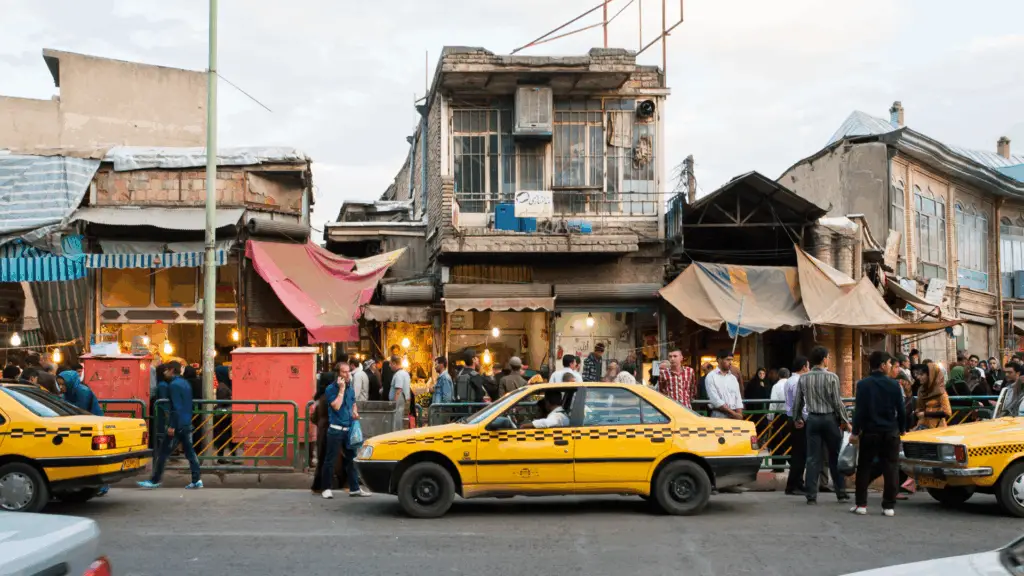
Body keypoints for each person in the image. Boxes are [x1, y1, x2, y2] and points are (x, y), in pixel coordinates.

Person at [850, 351, 906, 517]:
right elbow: (901, 410)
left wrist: (855, 431)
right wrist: (902, 428)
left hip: (870, 432)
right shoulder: (895, 385)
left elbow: (859, 411)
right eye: (889, 363)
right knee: (891, 468)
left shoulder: (863, 385)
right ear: (882, 365)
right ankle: (888, 506)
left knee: (864, 467)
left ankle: (861, 504)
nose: (890, 366)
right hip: (890, 432)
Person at [793, 345, 850, 504]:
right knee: (835, 456)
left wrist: (797, 418)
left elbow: (798, 401)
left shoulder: (803, 378)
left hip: (812, 420)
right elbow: (837, 403)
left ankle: (811, 495)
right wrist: (845, 421)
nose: (829, 359)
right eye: (829, 357)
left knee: (812, 459)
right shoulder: (832, 377)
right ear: (824, 359)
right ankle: (841, 493)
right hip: (830, 419)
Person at [138, 361, 203, 490]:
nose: (164, 372)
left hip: (177, 425)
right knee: (190, 453)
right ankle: (196, 480)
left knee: (163, 453)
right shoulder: (185, 383)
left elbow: (176, 407)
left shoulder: (173, 385)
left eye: (166, 370)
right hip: (186, 422)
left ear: (172, 370)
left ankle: (155, 480)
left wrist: (172, 425)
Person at [320, 362, 370, 499]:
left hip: (349, 429)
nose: (348, 374)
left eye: (349, 372)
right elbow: (336, 406)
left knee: (351, 459)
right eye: (344, 372)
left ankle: (355, 488)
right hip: (335, 429)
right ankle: (326, 488)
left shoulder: (350, 389)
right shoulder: (331, 389)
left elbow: (353, 403)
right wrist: (341, 390)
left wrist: (354, 412)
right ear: (338, 374)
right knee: (330, 460)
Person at [311, 371, 347, 494]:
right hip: (333, 429)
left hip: (322, 430)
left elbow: (314, 417)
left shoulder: (320, 397)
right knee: (335, 458)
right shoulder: (333, 396)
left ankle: (318, 485)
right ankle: (336, 484)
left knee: (322, 458)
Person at [784, 356, 810, 495]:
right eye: (808, 366)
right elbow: (798, 403)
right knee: (800, 455)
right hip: (798, 420)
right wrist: (802, 418)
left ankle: (797, 483)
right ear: (804, 367)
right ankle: (793, 485)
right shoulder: (797, 381)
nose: (809, 369)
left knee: (800, 454)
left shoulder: (791, 380)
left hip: (794, 418)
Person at [705, 350, 743, 420]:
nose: (730, 362)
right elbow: (715, 400)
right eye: (728, 360)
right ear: (719, 360)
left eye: (731, 360)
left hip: (735, 416)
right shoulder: (711, 376)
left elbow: (738, 398)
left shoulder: (733, 378)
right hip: (719, 415)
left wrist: (739, 414)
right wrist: (734, 414)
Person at [213, 365, 239, 461]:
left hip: (228, 415)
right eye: (229, 372)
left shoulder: (227, 383)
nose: (230, 374)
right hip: (224, 415)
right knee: (224, 436)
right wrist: (231, 398)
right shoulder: (222, 386)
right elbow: (223, 401)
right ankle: (222, 457)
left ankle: (232, 455)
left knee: (230, 435)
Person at [915, 363, 952, 429]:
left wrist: (925, 414)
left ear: (930, 376)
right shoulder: (921, 390)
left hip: (938, 428)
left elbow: (947, 412)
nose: (918, 377)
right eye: (918, 374)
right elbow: (920, 408)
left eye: (922, 374)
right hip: (923, 427)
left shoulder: (940, 392)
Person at [388, 355, 412, 420]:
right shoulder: (405, 373)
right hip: (404, 403)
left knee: (398, 422)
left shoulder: (399, 374)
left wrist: (394, 405)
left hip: (399, 404)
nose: (389, 366)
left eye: (390, 363)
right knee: (403, 421)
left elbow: (398, 391)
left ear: (394, 363)